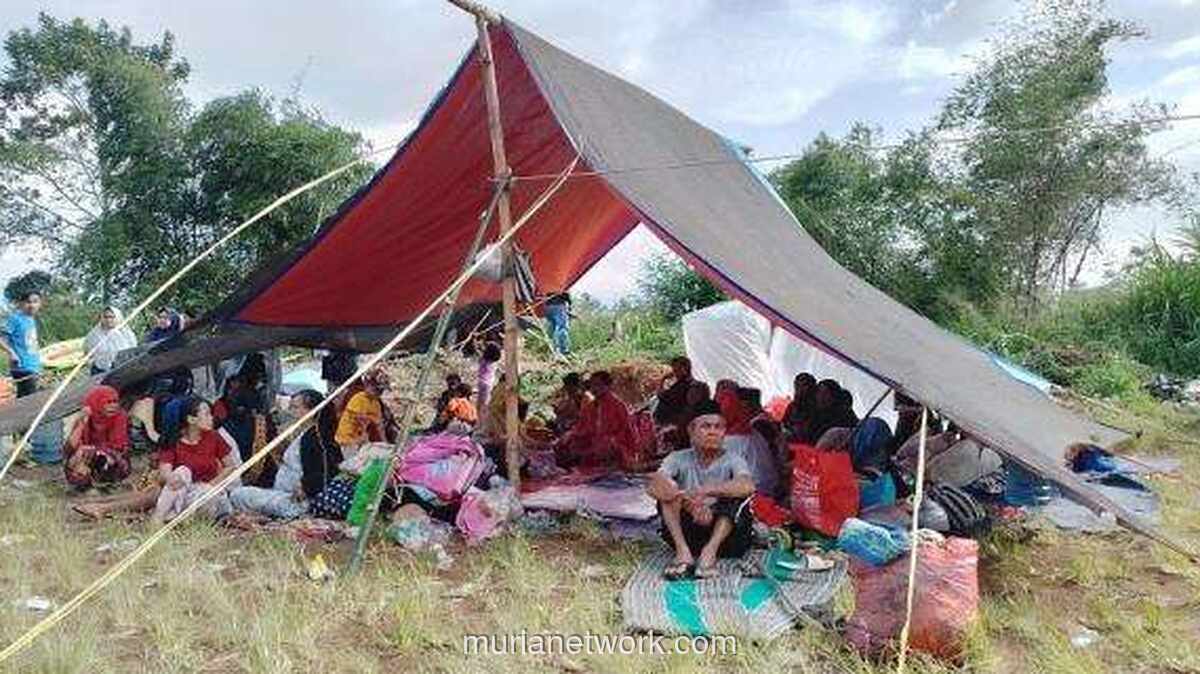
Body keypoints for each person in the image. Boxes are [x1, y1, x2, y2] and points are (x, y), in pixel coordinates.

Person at [646, 399, 755, 579]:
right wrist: (685, 501)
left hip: (727, 541)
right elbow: (653, 484)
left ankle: (709, 553)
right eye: (706, 426)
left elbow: (747, 485)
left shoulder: (733, 460)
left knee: (738, 496)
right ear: (691, 431)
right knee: (666, 493)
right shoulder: (678, 458)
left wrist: (706, 491)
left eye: (718, 427)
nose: (712, 432)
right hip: (689, 535)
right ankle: (683, 555)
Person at [230, 390, 343, 519]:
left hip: (297, 503)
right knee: (243, 493)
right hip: (282, 493)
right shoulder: (305, 434)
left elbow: (324, 470)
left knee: (238, 495)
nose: (290, 411)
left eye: (295, 407)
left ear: (310, 411)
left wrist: (305, 487)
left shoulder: (314, 437)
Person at [152, 397, 238, 522]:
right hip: (182, 491)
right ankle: (158, 518)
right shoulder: (174, 440)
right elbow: (165, 472)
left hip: (207, 492)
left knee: (206, 495)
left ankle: (174, 516)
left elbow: (230, 466)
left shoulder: (214, 437)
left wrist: (210, 485)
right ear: (191, 419)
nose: (212, 418)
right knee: (182, 471)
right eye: (207, 414)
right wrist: (171, 478)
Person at [555, 371, 636, 468]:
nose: (594, 388)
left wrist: (610, 441)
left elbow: (627, 432)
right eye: (592, 385)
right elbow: (582, 427)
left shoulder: (618, 406)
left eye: (598, 385)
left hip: (613, 445)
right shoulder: (590, 406)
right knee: (565, 444)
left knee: (605, 446)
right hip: (592, 442)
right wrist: (569, 435)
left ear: (608, 386)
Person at [63, 386, 132, 490]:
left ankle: (106, 483)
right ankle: (83, 485)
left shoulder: (120, 417)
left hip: (113, 459)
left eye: (115, 402)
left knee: (101, 457)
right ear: (96, 403)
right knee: (75, 460)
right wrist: (83, 420)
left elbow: (118, 446)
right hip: (89, 454)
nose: (113, 406)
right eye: (108, 402)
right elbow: (69, 448)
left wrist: (95, 450)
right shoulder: (85, 416)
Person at [334, 368, 390, 457]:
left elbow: (379, 425)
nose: (379, 393)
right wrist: (364, 440)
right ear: (368, 385)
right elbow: (361, 419)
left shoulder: (376, 403)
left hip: (359, 438)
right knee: (355, 462)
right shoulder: (358, 398)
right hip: (347, 439)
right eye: (376, 390)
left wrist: (385, 443)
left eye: (381, 391)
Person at [2, 291, 43, 398]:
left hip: (33, 366)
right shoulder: (15, 319)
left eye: (35, 302)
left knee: (24, 399)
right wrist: (11, 353)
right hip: (22, 366)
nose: (32, 305)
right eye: (28, 302)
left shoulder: (31, 319)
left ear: (40, 303)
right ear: (22, 303)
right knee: (29, 401)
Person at [83, 306, 137, 375]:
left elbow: (133, 351)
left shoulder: (126, 334)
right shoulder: (93, 335)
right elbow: (87, 353)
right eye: (106, 317)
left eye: (112, 317)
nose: (108, 320)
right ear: (101, 318)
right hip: (100, 371)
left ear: (117, 317)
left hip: (123, 369)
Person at [782, 373, 817, 441]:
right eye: (798, 385)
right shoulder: (792, 406)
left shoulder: (816, 407)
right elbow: (784, 424)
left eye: (804, 385)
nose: (800, 389)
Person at [475, 341, 502, 412]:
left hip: (480, 381)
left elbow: (480, 352)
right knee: (485, 401)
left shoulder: (483, 360)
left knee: (480, 399)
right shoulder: (493, 363)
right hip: (488, 384)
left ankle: (477, 411)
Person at [543, 291, 572, 355]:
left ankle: (553, 349)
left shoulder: (547, 285)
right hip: (558, 305)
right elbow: (565, 294)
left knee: (553, 328)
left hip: (548, 307)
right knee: (562, 327)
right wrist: (569, 306)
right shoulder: (559, 284)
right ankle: (563, 349)